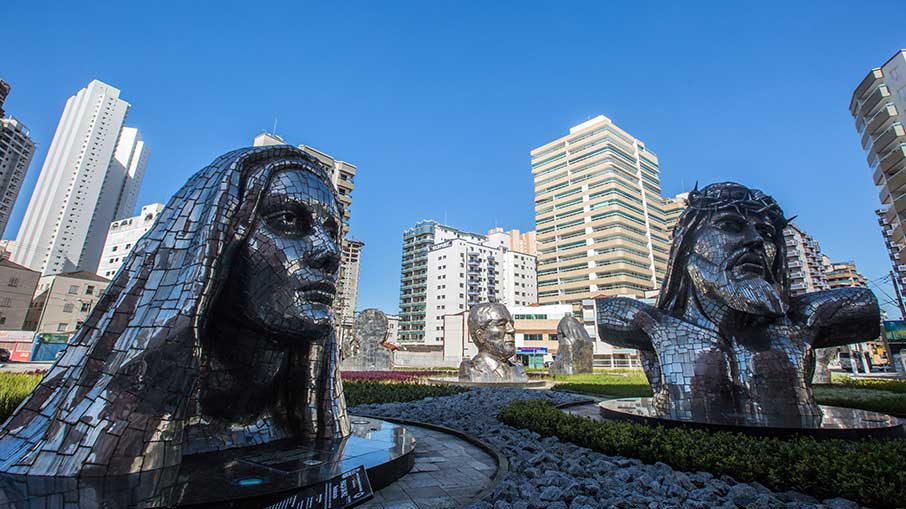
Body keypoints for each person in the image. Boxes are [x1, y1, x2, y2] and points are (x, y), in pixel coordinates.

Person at [0, 146, 350, 477]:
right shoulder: (78, 449)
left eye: (332, 232)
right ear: (213, 242)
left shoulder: (299, 414)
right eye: (288, 219)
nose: (329, 252)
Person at [595, 182, 879, 425]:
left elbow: (862, 302)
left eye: (766, 234)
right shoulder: (648, 322)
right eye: (730, 226)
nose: (755, 240)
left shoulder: (805, 318)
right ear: (685, 245)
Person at [459, 303, 528, 382]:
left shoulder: (519, 370)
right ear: (480, 335)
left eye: (511, 324)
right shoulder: (471, 370)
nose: (512, 330)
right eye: (501, 324)